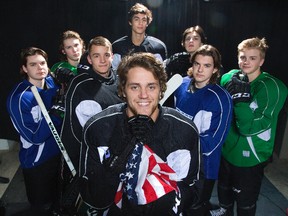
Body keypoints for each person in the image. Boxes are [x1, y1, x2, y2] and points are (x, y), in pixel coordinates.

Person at [78, 52, 202, 216]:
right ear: (122, 89)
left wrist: (167, 200)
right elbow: (94, 199)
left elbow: (193, 191)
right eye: (135, 87)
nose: (144, 95)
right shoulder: (98, 128)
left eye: (151, 87)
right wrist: (120, 151)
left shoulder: (185, 130)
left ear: (161, 89)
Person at [210, 37, 287, 216]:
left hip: (250, 156)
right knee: (224, 194)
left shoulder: (272, 87)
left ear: (262, 61)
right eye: (243, 57)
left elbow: (248, 128)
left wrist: (241, 101)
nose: (246, 62)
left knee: (245, 203)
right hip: (227, 150)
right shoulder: (230, 77)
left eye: (252, 58)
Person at [59, 36, 123, 214]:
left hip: (119, 156)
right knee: (96, 201)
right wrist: (81, 164)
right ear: (89, 59)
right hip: (95, 161)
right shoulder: (80, 84)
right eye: (96, 56)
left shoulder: (119, 79)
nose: (102, 60)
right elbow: (71, 130)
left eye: (106, 55)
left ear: (112, 56)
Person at [174, 45, 233, 215]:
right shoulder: (181, 84)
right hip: (177, 160)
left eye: (207, 66)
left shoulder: (222, 98)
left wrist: (182, 144)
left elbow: (216, 140)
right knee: (178, 203)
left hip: (203, 166)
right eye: (197, 64)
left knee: (196, 207)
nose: (200, 70)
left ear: (215, 69)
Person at [6, 47, 62, 215]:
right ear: (24, 68)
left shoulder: (51, 83)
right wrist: (55, 113)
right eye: (33, 64)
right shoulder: (19, 98)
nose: (40, 68)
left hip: (58, 154)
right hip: (37, 162)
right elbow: (35, 137)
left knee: (58, 202)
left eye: (43, 63)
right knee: (41, 207)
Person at [112, 3, 168, 70]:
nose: (140, 23)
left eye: (144, 20)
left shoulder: (158, 47)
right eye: (136, 19)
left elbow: (162, 75)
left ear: (147, 23)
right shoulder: (118, 46)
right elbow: (114, 75)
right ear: (130, 22)